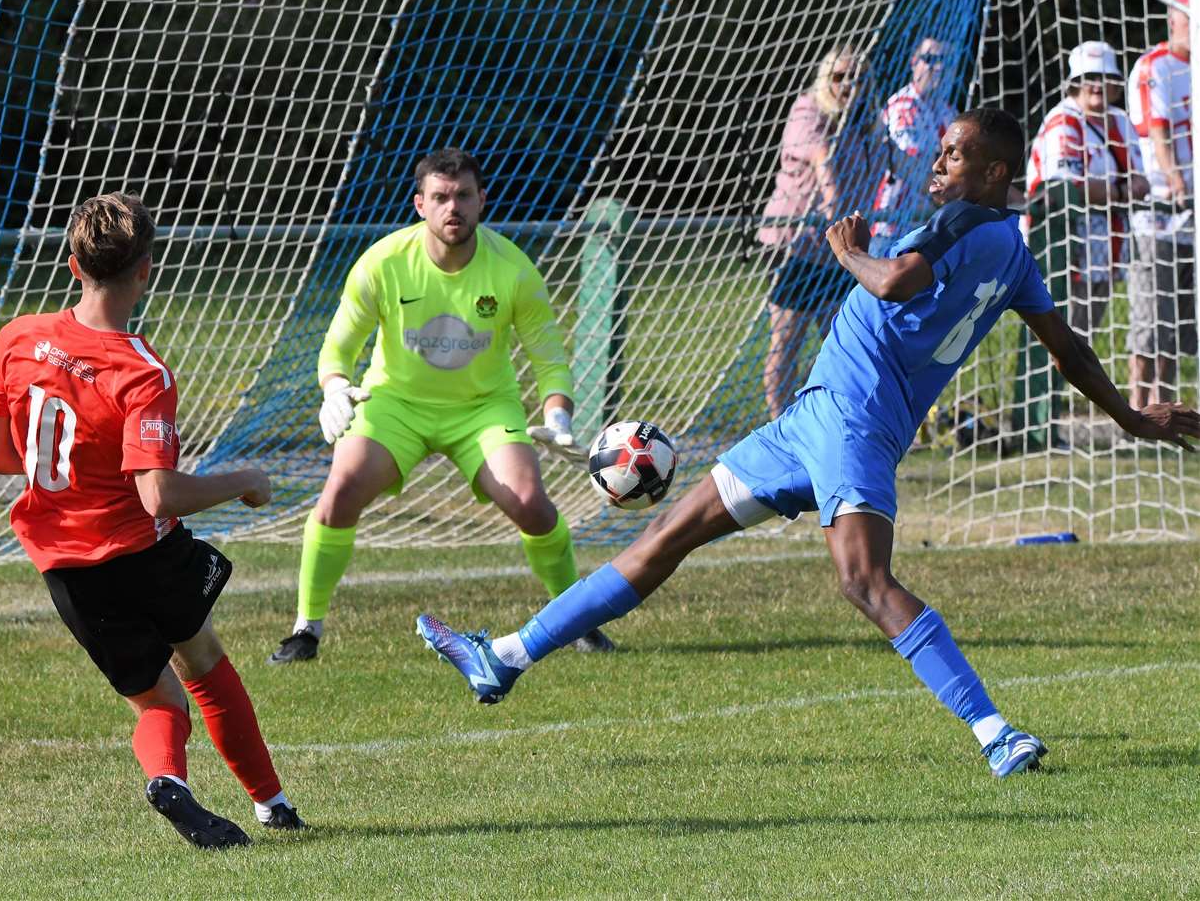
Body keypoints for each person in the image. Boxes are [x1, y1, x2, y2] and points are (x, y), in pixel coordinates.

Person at [417, 108, 1200, 779]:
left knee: (864, 582)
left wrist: (847, 252)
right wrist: (1129, 416)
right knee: (665, 535)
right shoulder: (1015, 254)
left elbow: (892, 282)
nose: (939, 160)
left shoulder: (970, 221)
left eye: (955, 153)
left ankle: (996, 732)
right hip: (814, 419)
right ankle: (507, 656)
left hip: (851, 418)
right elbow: (1066, 347)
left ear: (995, 172)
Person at [0, 193, 304, 850]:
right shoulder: (140, 371)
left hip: (67, 570)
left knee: (158, 703)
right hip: (142, 553)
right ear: (146, 270)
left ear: (73, 266)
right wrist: (243, 481)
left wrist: (65, 474)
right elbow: (157, 496)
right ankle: (273, 804)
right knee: (203, 659)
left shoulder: (17, 339)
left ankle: (170, 781)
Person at [269, 148, 611, 663]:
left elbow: (549, 357)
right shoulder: (382, 263)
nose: (453, 207)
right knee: (340, 490)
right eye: (440, 197)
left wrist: (558, 414)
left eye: (464, 196)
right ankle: (305, 631)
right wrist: (335, 388)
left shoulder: (513, 269)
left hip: (484, 409)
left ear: (482, 201)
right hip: (395, 405)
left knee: (530, 503)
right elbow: (338, 347)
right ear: (419, 204)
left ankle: (576, 621)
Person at [1011, 41, 1149, 449]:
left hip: (1108, 247)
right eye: (1087, 78)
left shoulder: (1121, 122)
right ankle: (1035, 428)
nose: (1095, 86)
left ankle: (1050, 422)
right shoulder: (1062, 122)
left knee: (1081, 338)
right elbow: (1068, 188)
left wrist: (1113, 190)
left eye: (1104, 78)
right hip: (1060, 246)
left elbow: (1141, 182)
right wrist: (1118, 190)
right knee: (1055, 339)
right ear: (1074, 83)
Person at [759, 45, 874, 418]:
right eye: (839, 76)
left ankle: (826, 418)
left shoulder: (864, 121)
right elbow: (820, 156)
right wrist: (833, 203)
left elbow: (894, 166)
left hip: (837, 251)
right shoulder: (808, 110)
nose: (847, 85)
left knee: (840, 341)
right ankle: (778, 424)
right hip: (795, 244)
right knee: (787, 340)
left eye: (856, 78)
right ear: (826, 78)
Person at [1127, 0, 1194, 415]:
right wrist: (1176, 180)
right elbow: (1158, 131)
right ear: (1175, 18)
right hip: (1160, 214)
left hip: (1193, 222)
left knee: (1179, 321)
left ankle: (1163, 403)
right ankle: (1136, 409)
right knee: (1150, 315)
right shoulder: (1156, 67)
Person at [869, 37, 958, 255]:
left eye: (946, 60)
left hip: (925, 228)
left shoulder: (947, 111)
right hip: (891, 229)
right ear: (913, 62)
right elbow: (913, 171)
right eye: (930, 59)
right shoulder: (904, 108)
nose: (939, 67)